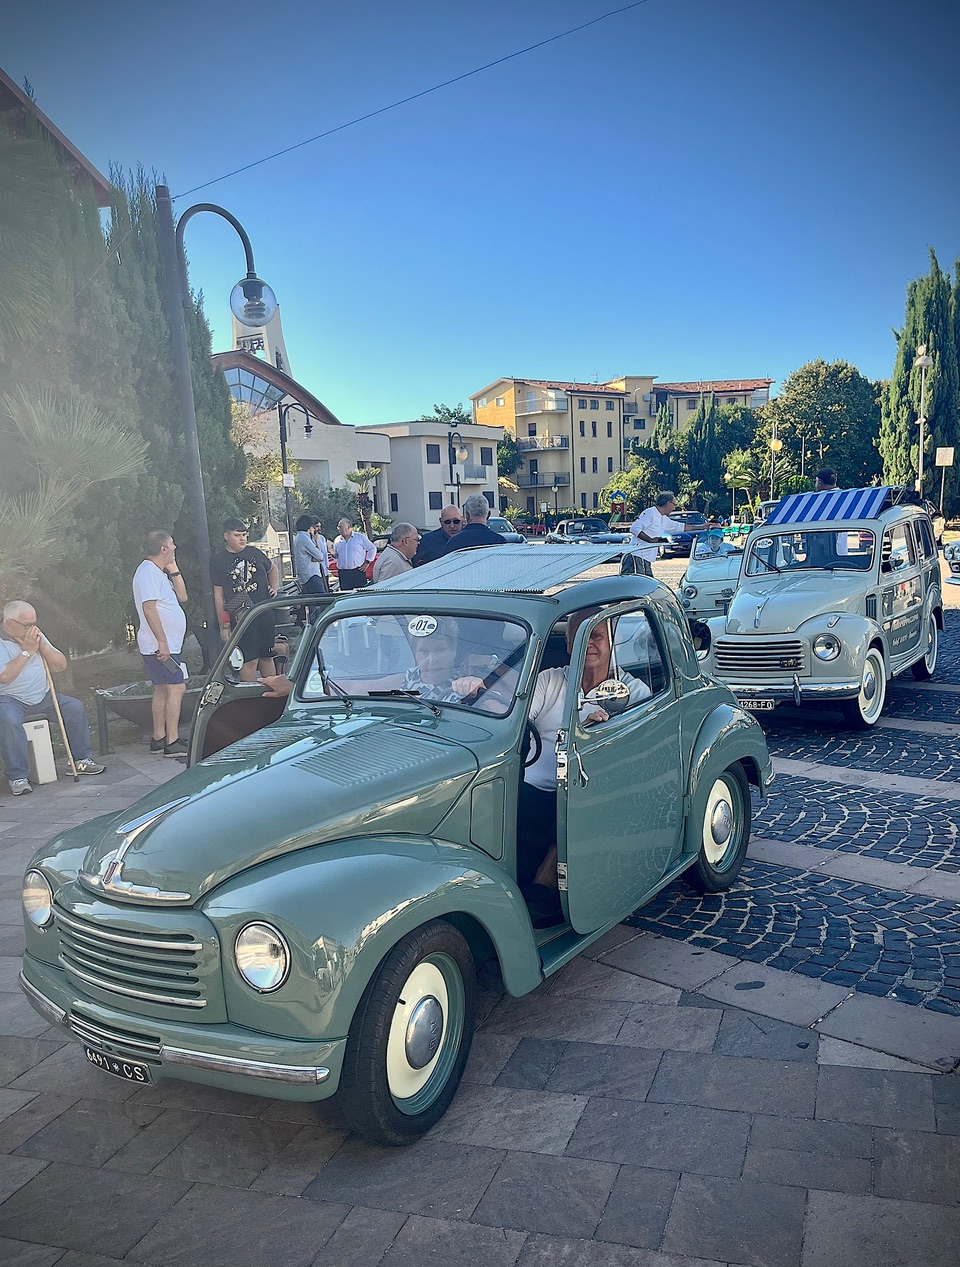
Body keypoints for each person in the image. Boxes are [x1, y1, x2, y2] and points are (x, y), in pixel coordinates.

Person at [519, 607, 650, 926]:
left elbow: (637, 752)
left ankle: (546, 886)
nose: (589, 644)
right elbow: (520, 717)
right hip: (530, 787)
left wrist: (598, 735)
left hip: (590, 794)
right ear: (567, 645)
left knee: (570, 804)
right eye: (579, 638)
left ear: (611, 641)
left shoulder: (633, 691)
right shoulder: (550, 681)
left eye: (596, 635)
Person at [0, 600, 105, 794]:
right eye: (27, 624)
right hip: (9, 698)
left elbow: (60, 666)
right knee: (8, 720)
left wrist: (42, 647)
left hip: (43, 695)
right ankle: (18, 776)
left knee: (74, 707)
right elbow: (4, 677)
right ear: (9, 623)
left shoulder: (35, 635)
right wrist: (27, 652)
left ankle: (80, 759)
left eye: (34, 623)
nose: (33, 628)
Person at [132, 530, 189, 756]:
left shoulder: (159, 572)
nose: (175, 547)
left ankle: (159, 738)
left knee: (163, 690)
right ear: (163, 548)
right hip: (160, 645)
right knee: (177, 687)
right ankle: (171, 741)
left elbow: (182, 597)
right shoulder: (147, 573)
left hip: (168, 644)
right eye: (172, 545)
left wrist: (173, 569)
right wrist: (162, 641)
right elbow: (149, 608)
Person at [211, 518, 279, 683]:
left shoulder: (254, 552)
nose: (242, 539)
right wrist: (224, 624)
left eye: (244, 535)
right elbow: (218, 595)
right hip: (241, 616)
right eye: (237, 535)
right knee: (249, 660)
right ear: (226, 536)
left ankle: (273, 693)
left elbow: (273, 568)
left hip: (264, 612)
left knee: (267, 656)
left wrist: (274, 587)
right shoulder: (218, 561)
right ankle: (247, 698)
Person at [623, 491, 699, 576]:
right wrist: (651, 540)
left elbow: (681, 527)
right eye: (674, 504)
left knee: (647, 585)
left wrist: (704, 526)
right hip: (636, 556)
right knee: (640, 586)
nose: (674, 508)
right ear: (667, 503)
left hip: (645, 559)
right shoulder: (650, 513)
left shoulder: (663, 518)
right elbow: (634, 528)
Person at [333, 518, 377, 590]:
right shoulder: (337, 540)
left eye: (341, 527)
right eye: (338, 527)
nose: (339, 529)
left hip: (357, 572)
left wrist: (367, 562)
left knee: (360, 594)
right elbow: (337, 556)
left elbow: (372, 548)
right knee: (346, 595)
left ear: (349, 527)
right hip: (343, 573)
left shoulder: (360, 538)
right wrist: (333, 554)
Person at [292, 514, 330, 596]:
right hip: (311, 575)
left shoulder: (298, 537)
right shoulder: (304, 538)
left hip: (306, 575)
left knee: (313, 602)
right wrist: (316, 541)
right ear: (309, 526)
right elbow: (320, 556)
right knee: (323, 600)